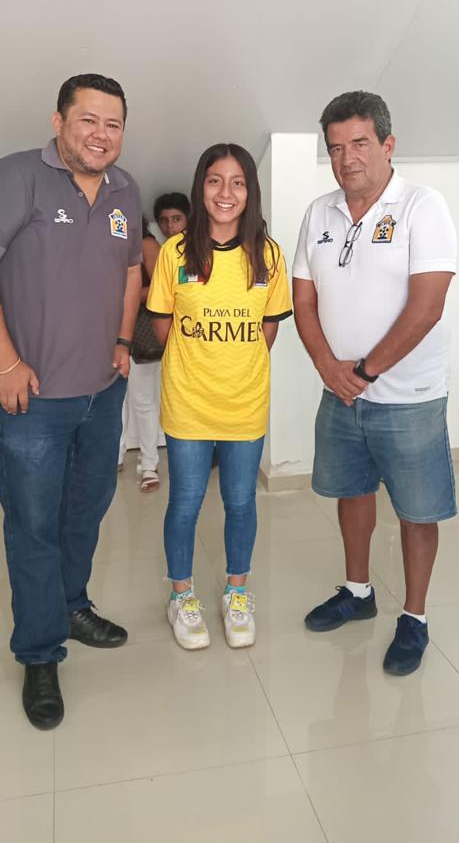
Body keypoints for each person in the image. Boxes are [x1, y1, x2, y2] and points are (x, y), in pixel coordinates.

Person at [293, 90, 457, 676]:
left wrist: (363, 371)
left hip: (408, 399)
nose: (347, 158)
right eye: (336, 148)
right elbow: (303, 300)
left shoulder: (422, 207)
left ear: (388, 144)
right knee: (352, 494)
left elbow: (427, 306)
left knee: (416, 512)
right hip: (340, 394)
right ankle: (357, 591)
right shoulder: (320, 213)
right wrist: (328, 368)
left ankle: (414, 617)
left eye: (359, 143)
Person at [0, 73, 142, 729]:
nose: (100, 135)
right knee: (33, 524)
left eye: (113, 124)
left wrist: (122, 340)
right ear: (59, 121)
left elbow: (131, 270)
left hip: (102, 393)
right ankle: (38, 650)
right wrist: (7, 362)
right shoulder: (18, 176)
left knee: (86, 510)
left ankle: (70, 604)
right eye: (88, 120)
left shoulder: (125, 189)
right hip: (33, 399)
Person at [147, 143, 292, 650]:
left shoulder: (268, 255)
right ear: (200, 187)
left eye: (237, 182)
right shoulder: (175, 252)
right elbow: (163, 325)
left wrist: (234, 364)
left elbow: (268, 328)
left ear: (250, 191)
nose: (225, 192)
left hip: (244, 403)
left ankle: (237, 591)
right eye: (214, 180)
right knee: (185, 502)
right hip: (187, 402)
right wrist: (199, 361)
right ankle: (182, 596)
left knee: (241, 501)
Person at [118, 216, 161, 491]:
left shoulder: (146, 244)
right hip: (107, 330)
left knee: (142, 400)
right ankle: (115, 456)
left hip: (141, 333)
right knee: (115, 400)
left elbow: (161, 286)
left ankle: (149, 465)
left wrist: (127, 296)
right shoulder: (105, 242)